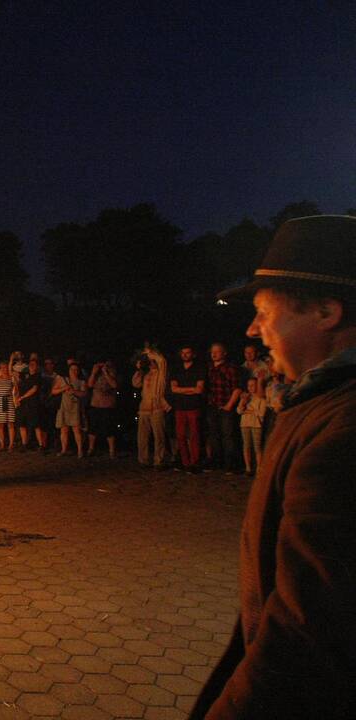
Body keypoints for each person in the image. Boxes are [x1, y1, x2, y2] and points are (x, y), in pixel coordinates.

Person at [191, 215, 356, 718]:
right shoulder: (321, 406)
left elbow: (306, 633)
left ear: (326, 311)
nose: (251, 328)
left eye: (264, 312)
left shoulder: (342, 433)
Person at [205, 342, 242, 473]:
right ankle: (216, 462)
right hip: (212, 406)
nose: (213, 354)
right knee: (214, 435)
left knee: (228, 436)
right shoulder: (209, 368)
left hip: (226, 406)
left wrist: (229, 405)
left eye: (217, 351)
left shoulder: (231, 368)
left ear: (224, 353)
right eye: (212, 352)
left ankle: (231, 464)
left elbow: (237, 388)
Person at [169, 345, 207, 473]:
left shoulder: (199, 368)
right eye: (183, 353)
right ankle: (185, 462)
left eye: (187, 352)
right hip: (180, 406)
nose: (185, 355)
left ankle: (194, 462)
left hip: (194, 406)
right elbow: (174, 389)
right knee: (180, 435)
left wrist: (182, 390)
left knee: (194, 434)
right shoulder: (176, 369)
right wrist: (191, 389)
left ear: (193, 354)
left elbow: (199, 389)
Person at [131, 346, 169, 469]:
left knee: (159, 436)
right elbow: (135, 384)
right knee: (142, 436)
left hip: (157, 407)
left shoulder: (161, 373)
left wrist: (150, 353)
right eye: (150, 361)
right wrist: (139, 369)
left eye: (153, 361)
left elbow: (162, 361)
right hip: (144, 408)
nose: (151, 363)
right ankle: (143, 460)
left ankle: (159, 461)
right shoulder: (145, 374)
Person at [53, 362, 88, 457]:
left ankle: (80, 450)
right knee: (64, 430)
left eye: (76, 369)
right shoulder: (63, 380)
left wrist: (74, 391)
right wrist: (64, 388)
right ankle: (64, 450)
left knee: (76, 430)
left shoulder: (81, 382)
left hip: (75, 408)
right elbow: (54, 391)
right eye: (72, 369)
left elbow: (84, 394)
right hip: (63, 407)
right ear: (69, 370)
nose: (74, 371)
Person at [86, 360, 119, 459]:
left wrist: (105, 372)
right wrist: (93, 372)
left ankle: (112, 451)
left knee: (109, 429)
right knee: (92, 429)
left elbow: (114, 385)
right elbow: (90, 385)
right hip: (95, 405)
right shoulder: (95, 374)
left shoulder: (112, 372)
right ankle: (91, 449)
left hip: (108, 406)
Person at [236, 377, 266, 476]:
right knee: (246, 446)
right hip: (245, 423)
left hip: (256, 424)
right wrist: (243, 402)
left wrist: (247, 411)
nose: (250, 388)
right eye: (249, 385)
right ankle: (248, 468)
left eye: (253, 385)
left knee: (257, 447)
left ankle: (259, 468)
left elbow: (261, 413)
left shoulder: (261, 398)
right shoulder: (246, 397)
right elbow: (239, 411)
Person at [0, 360, 16, 450]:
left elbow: (15, 391)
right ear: (0, 369)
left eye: (6, 368)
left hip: (9, 401)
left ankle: (11, 444)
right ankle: (2, 444)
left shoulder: (11, 379)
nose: (4, 369)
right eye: (2, 368)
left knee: (10, 423)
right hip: (0, 401)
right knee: (0, 424)